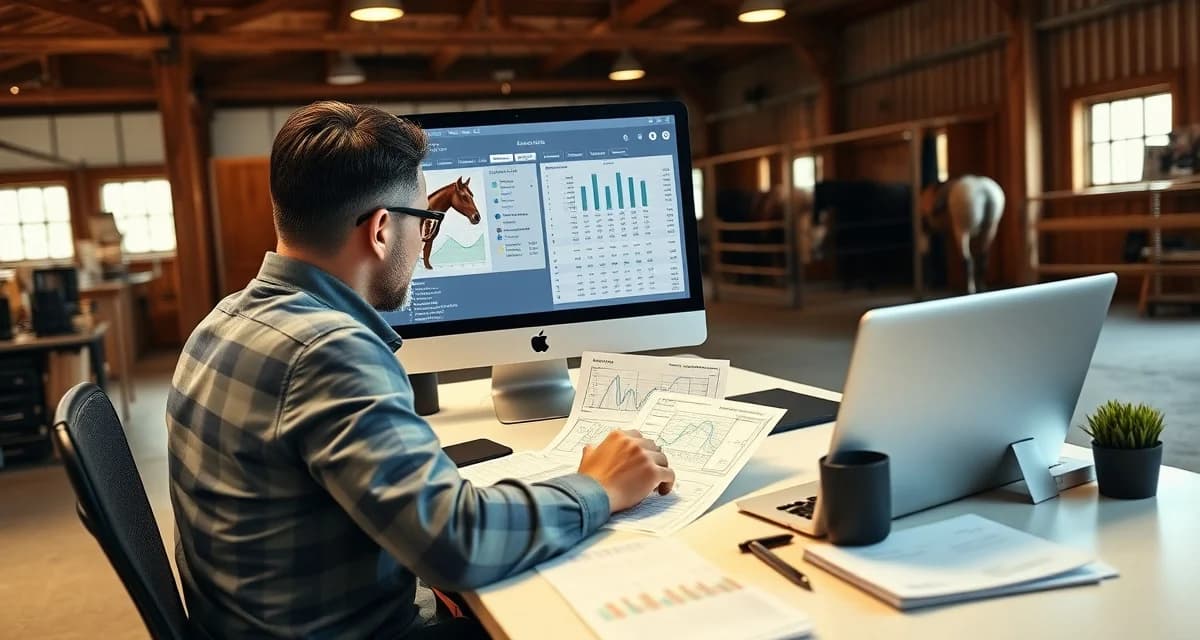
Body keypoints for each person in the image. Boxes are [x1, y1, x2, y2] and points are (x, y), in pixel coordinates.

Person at [167, 101, 675, 639]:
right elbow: (456, 544)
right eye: (425, 219)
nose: (425, 235)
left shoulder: (223, 320)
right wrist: (599, 486)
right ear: (383, 229)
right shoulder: (329, 351)